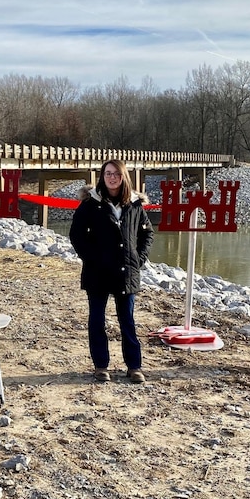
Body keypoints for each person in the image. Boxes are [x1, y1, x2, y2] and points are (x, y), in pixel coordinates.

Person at [69, 159, 154, 384]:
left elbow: (147, 234)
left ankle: (134, 366)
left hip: (126, 272)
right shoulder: (91, 203)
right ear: (102, 176)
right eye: (107, 173)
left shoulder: (134, 204)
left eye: (116, 173)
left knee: (127, 320)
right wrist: (91, 258)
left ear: (123, 176)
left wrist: (139, 259)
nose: (111, 177)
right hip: (97, 273)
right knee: (97, 319)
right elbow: (76, 235)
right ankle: (101, 366)